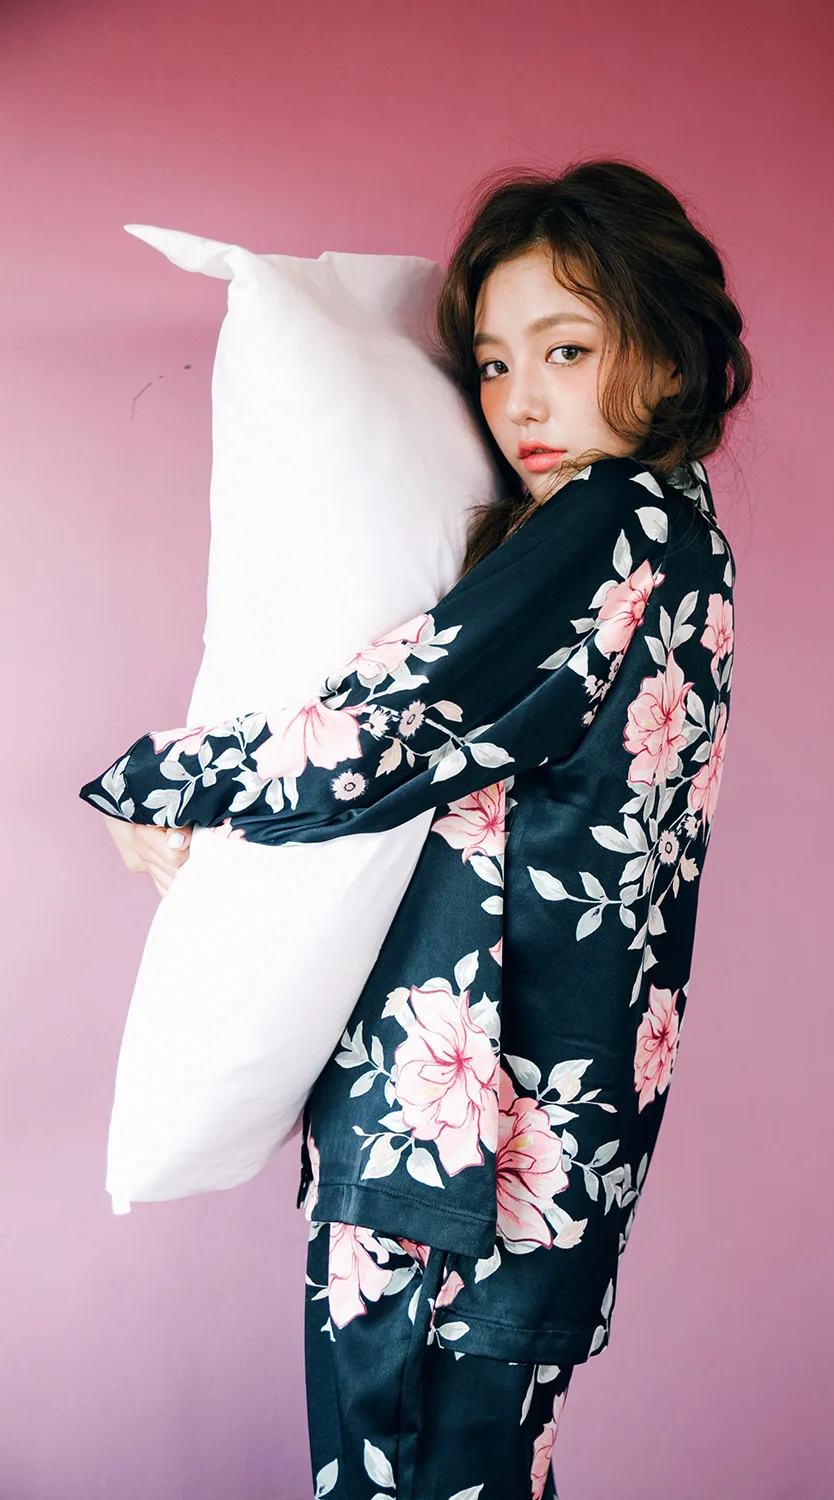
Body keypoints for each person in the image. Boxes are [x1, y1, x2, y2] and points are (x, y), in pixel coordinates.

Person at [84, 158, 752, 1500]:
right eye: (494, 365)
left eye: (566, 350)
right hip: (533, 1152)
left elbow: (390, 727)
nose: (522, 403)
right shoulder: (689, 538)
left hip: (464, 1151)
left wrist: (152, 779)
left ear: (670, 356)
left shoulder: (617, 521)